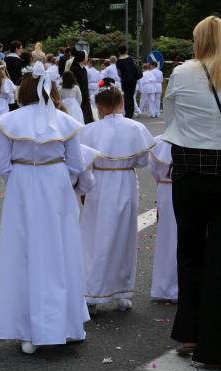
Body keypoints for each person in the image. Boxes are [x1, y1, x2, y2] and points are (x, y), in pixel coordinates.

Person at [0, 61, 88, 355]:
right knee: (61, 252)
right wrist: (56, 179)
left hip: (22, 185)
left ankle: (27, 331)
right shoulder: (65, 121)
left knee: (23, 254)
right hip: (57, 185)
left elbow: (1, 163)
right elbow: (77, 165)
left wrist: (23, 179)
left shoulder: (10, 120)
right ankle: (67, 327)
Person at [163, 16, 221, 368]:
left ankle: (190, 332)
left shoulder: (183, 72)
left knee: (190, 251)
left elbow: (170, 118)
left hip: (189, 172)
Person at [80, 80, 155, 314]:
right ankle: (123, 293)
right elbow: (143, 160)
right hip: (124, 183)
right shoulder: (136, 128)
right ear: (122, 103)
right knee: (124, 235)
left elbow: (81, 162)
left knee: (95, 237)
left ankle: (92, 293)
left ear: (99, 106)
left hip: (98, 185)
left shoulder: (89, 131)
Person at [149, 135, 177, 302]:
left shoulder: (160, 141)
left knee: (166, 238)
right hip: (182, 187)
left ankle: (163, 287)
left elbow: (154, 170)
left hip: (166, 188)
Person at [116, 45, 143, 118]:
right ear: (126, 50)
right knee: (131, 96)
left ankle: (127, 113)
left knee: (126, 96)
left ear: (119, 52)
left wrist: (123, 77)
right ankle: (131, 113)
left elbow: (119, 73)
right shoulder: (131, 59)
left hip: (125, 81)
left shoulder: (118, 61)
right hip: (133, 80)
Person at [70, 50, 94, 123]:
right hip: (78, 96)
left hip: (85, 95)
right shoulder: (75, 69)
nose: (87, 58)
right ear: (82, 57)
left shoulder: (84, 69)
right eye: (86, 57)